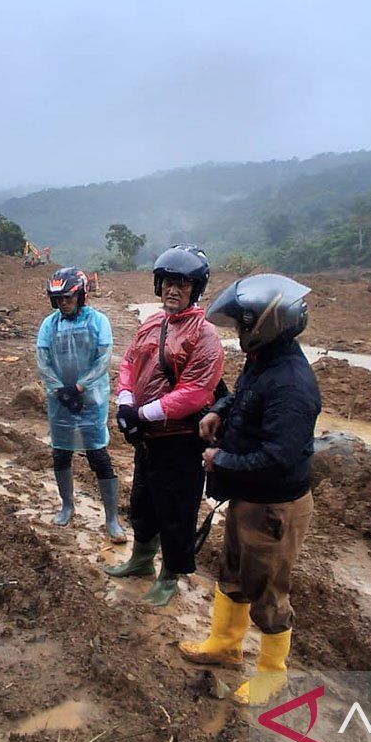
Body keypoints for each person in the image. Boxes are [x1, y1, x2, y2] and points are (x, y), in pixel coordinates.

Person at [177, 273, 321, 706]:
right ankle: (225, 643)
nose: (239, 332)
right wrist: (219, 410)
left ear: (268, 323)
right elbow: (243, 396)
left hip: (274, 506)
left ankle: (273, 673)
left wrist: (221, 460)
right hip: (250, 497)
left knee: (269, 592)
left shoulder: (292, 384)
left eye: (244, 323)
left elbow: (280, 456)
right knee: (234, 573)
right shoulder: (267, 361)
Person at [104, 245, 224, 606]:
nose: (173, 290)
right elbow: (130, 362)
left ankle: (170, 575)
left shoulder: (205, 335)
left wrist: (143, 414)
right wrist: (125, 401)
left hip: (181, 440)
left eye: (182, 284)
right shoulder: (153, 323)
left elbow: (194, 392)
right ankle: (141, 561)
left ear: (195, 289)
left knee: (176, 511)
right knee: (143, 502)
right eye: (168, 282)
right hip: (149, 440)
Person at [36, 267, 126, 543]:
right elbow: (43, 358)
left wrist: (80, 386)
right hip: (60, 402)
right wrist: (58, 390)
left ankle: (111, 518)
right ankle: (67, 505)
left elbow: (103, 358)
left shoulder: (98, 321)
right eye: (58, 299)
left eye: (68, 298)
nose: (63, 303)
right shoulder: (49, 325)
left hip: (90, 401)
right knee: (61, 454)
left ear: (81, 295)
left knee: (98, 457)